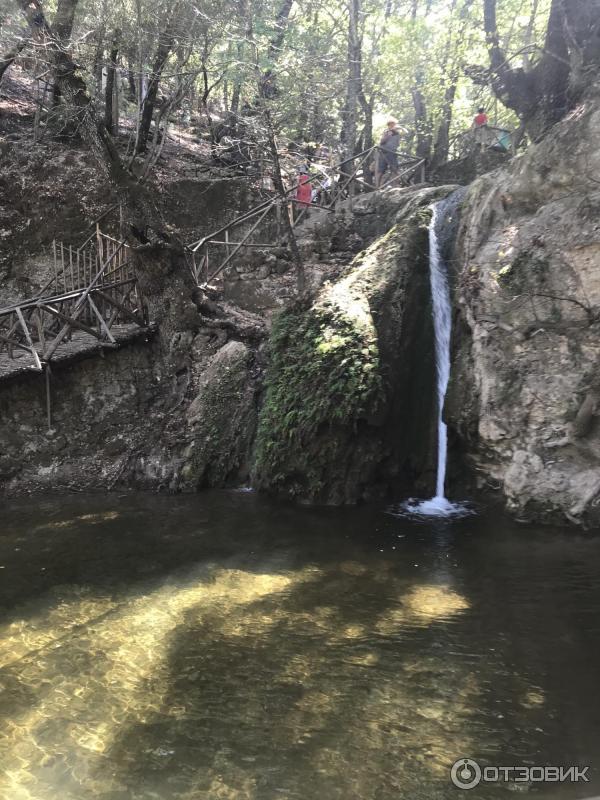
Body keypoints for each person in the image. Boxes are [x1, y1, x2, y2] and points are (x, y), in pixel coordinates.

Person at [377, 118, 400, 187]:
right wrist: (388, 135)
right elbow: (381, 142)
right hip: (384, 152)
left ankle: (395, 186)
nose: (392, 126)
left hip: (392, 152)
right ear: (388, 125)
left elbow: (398, 143)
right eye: (390, 125)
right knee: (381, 170)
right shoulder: (386, 132)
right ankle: (377, 187)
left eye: (393, 124)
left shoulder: (397, 133)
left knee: (394, 169)